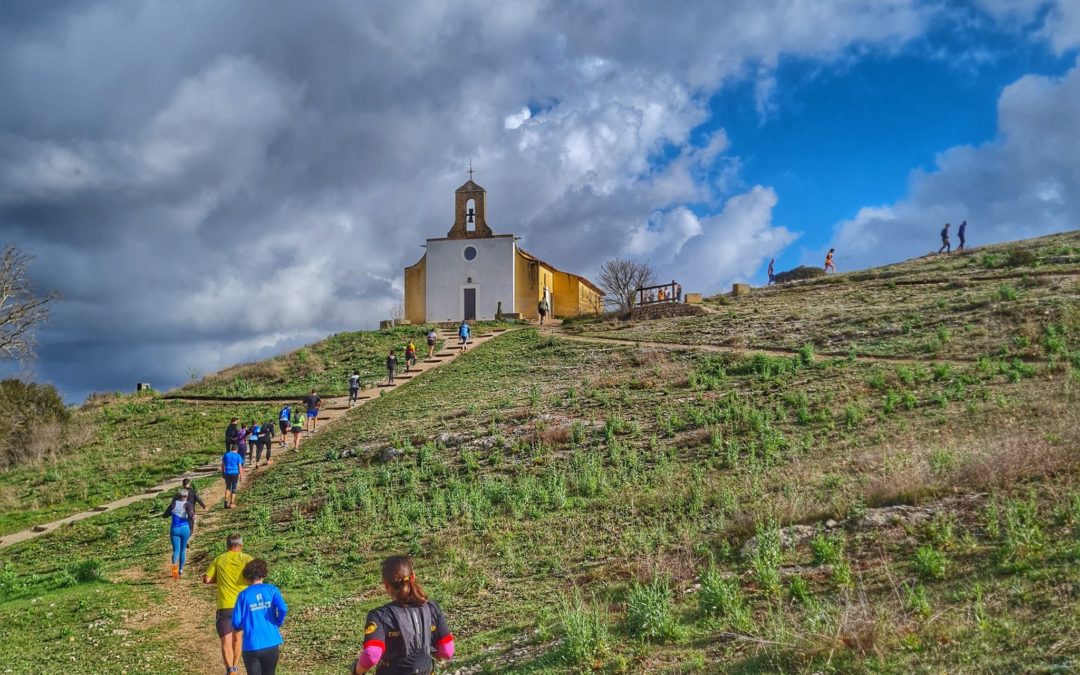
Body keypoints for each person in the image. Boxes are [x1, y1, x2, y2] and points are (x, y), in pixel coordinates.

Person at [352, 555, 454, 675]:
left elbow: (371, 654)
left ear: (385, 583)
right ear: (413, 577)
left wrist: (356, 671)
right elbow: (447, 651)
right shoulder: (431, 608)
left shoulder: (380, 616)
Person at [204, 533, 254, 675]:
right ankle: (235, 666)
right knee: (238, 638)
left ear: (227, 545)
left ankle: (230, 669)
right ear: (241, 545)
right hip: (243, 605)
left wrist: (217, 579)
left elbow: (207, 579)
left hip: (225, 605)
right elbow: (255, 579)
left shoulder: (219, 559)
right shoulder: (247, 559)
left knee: (226, 640)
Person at [232, 559, 287, 675]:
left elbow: (236, 622)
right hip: (271, 642)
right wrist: (278, 621)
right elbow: (283, 609)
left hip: (251, 645)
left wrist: (244, 625)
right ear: (263, 574)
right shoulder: (272, 590)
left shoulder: (243, 595)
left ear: (247, 576)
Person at [162, 489, 194, 579]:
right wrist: (192, 516)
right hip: (185, 529)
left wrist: (170, 513)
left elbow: (165, 515)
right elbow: (191, 516)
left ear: (178, 495)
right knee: (183, 550)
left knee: (176, 550)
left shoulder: (173, 503)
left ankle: (174, 571)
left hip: (175, 529)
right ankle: (180, 571)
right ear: (186, 496)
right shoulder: (188, 504)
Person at [181, 477, 206, 544]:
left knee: (183, 525)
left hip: (181, 511)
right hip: (191, 511)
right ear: (189, 484)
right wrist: (203, 506)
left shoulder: (180, 492)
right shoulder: (192, 491)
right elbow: (198, 499)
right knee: (191, 528)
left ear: (183, 484)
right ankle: (185, 539)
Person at [222, 443, 244, 509]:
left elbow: (222, 465)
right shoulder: (238, 456)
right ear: (237, 449)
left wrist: (223, 473)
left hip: (227, 473)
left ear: (231, 449)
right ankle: (231, 503)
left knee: (228, 487)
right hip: (235, 473)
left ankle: (226, 500)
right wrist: (241, 475)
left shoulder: (226, 455)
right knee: (234, 488)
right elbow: (240, 466)